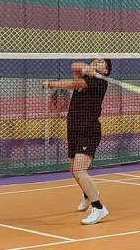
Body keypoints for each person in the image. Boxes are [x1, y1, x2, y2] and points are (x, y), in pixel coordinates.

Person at [43, 58, 112, 225]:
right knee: (74, 170)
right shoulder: (86, 75)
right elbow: (74, 66)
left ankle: (99, 208)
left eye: (101, 62)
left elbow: (74, 84)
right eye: (94, 61)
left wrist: (52, 84)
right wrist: (86, 68)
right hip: (73, 128)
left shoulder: (100, 82)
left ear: (106, 71)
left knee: (79, 170)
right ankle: (88, 194)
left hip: (88, 130)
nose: (96, 63)